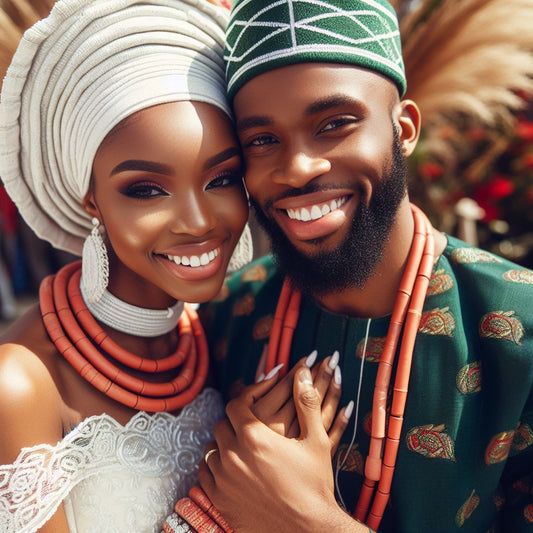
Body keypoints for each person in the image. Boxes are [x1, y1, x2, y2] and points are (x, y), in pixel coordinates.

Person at [185, 1, 533, 532]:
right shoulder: (225, 314)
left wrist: (302, 519)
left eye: (335, 124)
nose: (298, 168)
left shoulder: (519, 333)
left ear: (405, 128)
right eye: (262, 140)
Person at [0, 1, 347, 531]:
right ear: (90, 197)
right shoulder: (20, 384)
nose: (198, 221)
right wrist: (219, 510)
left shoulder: (218, 335)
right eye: (146, 189)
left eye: (221, 179)